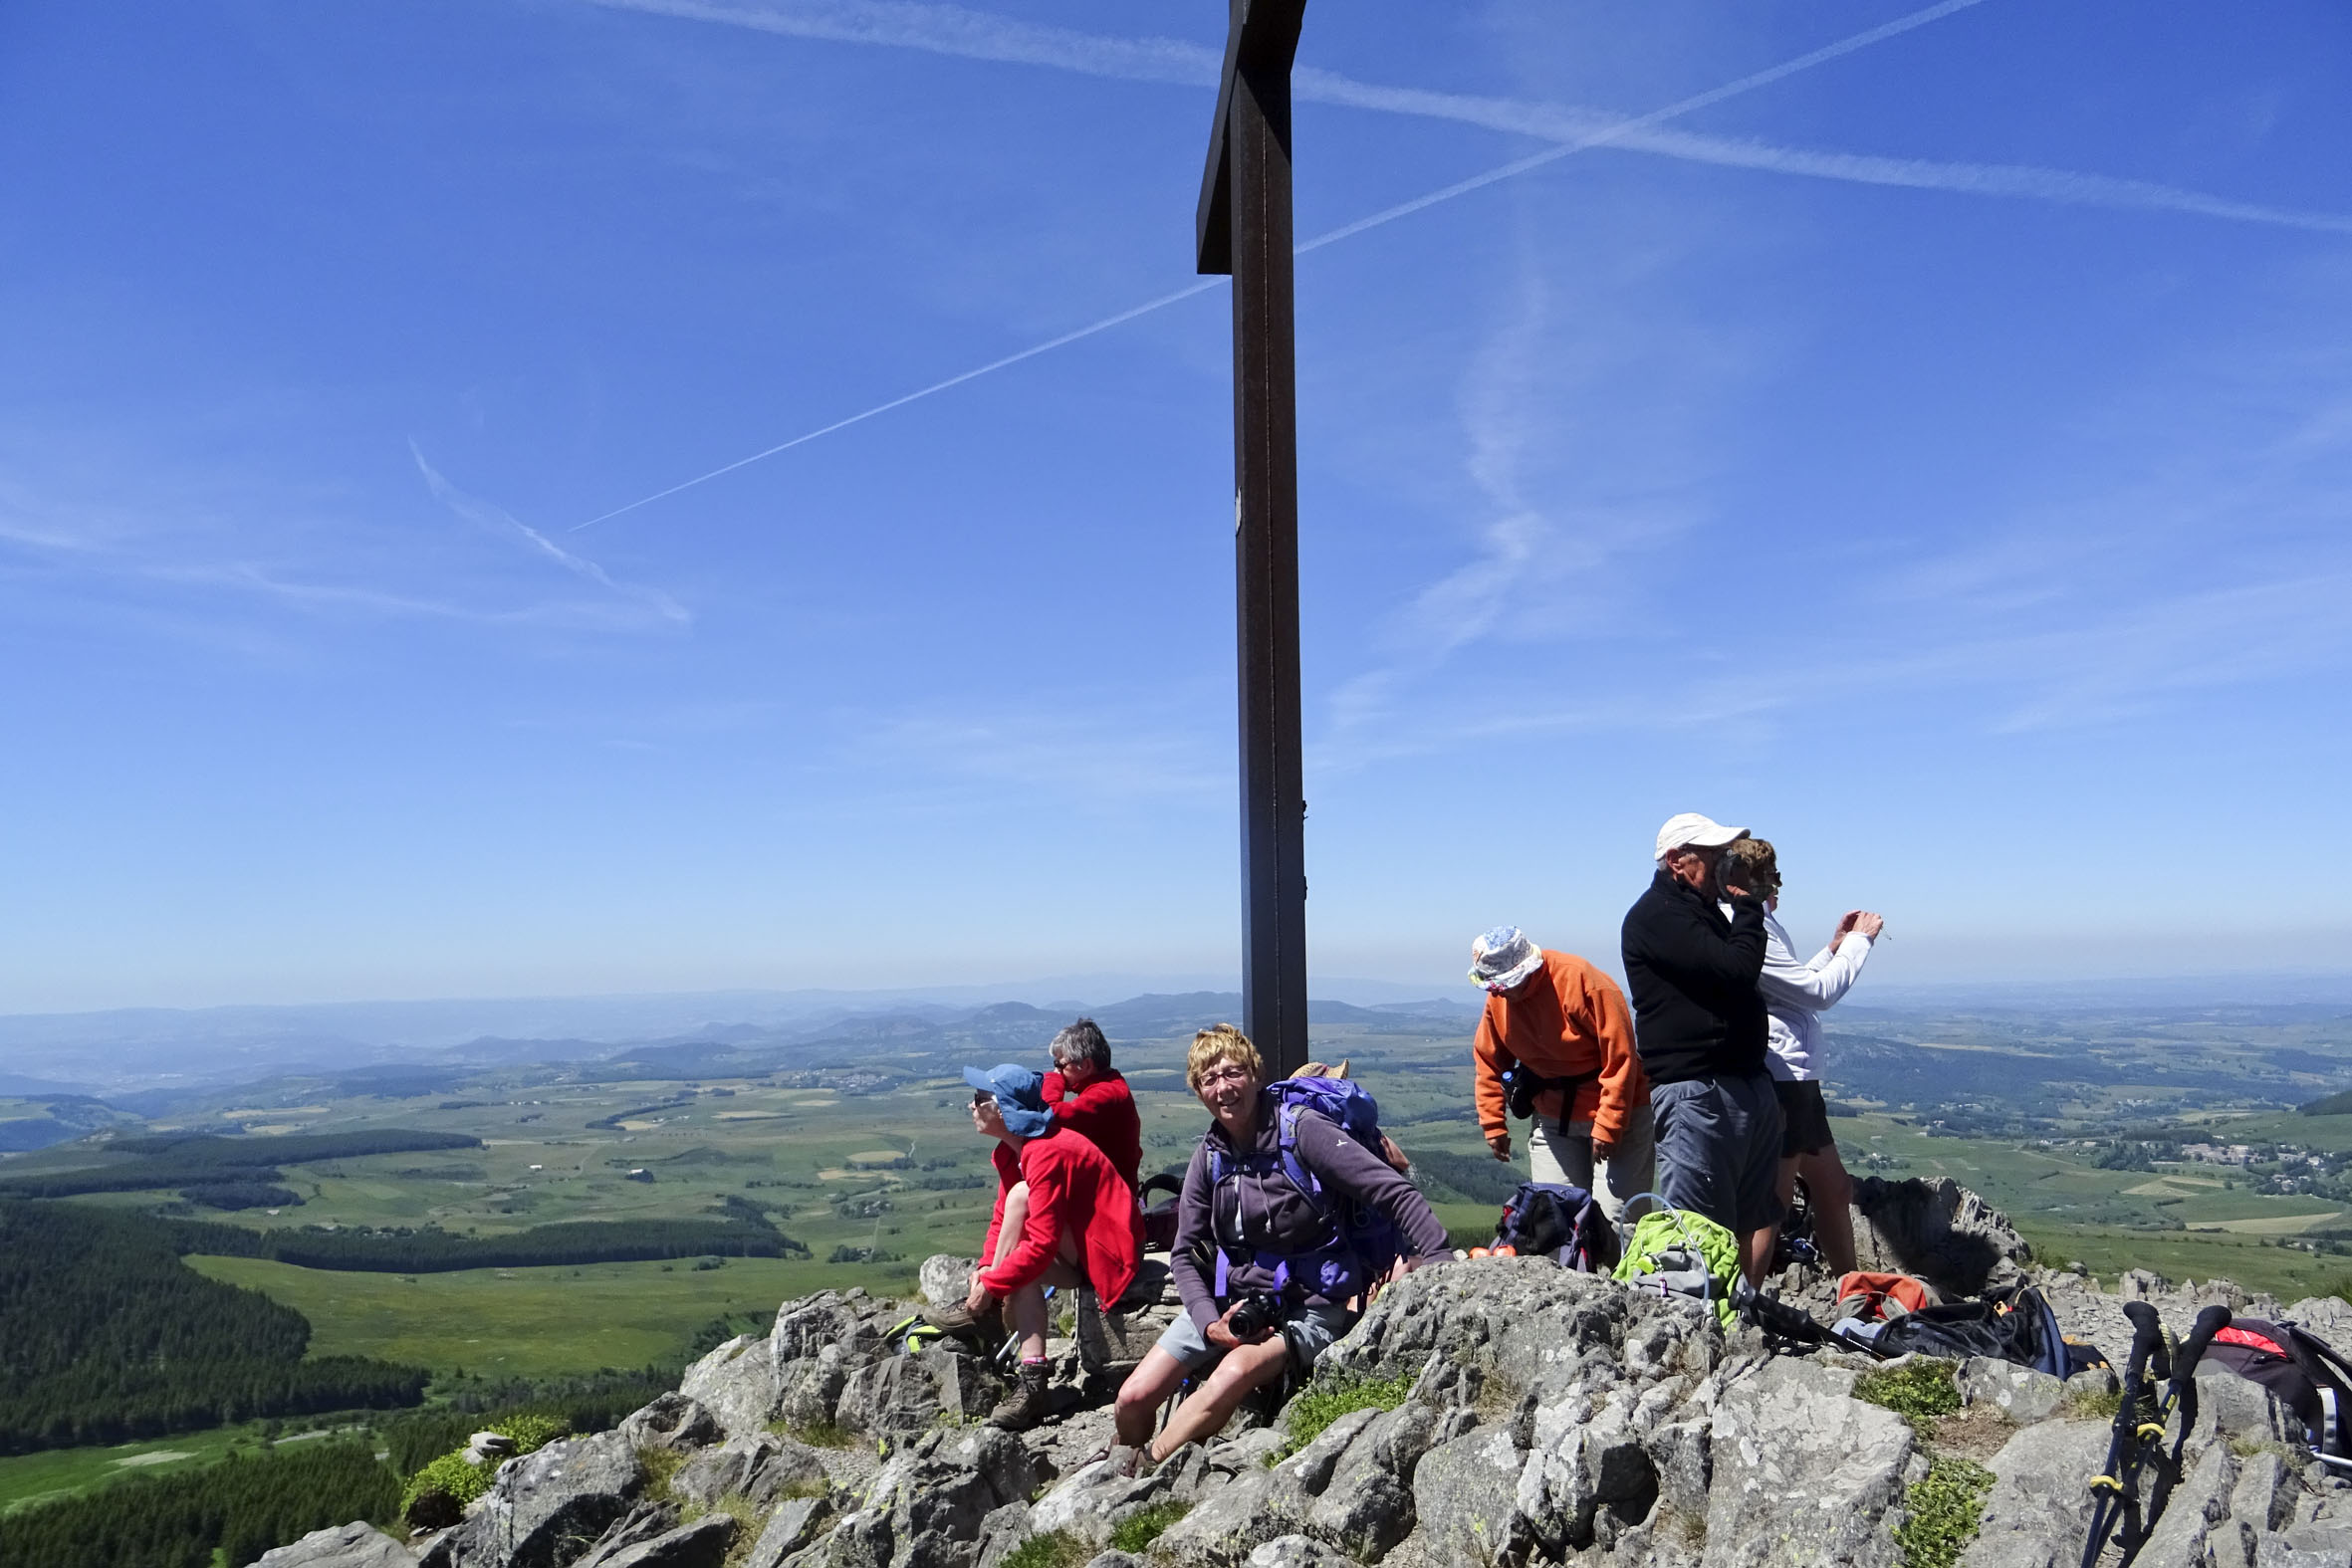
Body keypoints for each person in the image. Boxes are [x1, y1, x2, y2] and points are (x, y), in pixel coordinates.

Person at [1107, 1024, 1450, 1472]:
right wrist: (1211, 1324)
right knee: (1131, 1398)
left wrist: (1442, 1267)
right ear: (1198, 1091)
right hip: (1235, 1302)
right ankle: (1122, 1456)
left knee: (1235, 1371)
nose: (1223, 1087)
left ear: (1255, 1075)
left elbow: (1394, 1192)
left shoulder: (1302, 1131)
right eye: (1209, 1079)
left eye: (1233, 1073)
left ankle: (1145, 1476)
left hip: (1311, 1305)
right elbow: (1185, 1252)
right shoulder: (1209, 1157)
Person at [928, 1063, 1139, 1431]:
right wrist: (986, 1267)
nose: (971, 1105)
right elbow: (1002, 1220)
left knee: (1021, 1200)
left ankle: (988, 1310)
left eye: (980, 1098)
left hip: (1105, 1256)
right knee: (1018, 1255)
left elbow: (1041, 1245)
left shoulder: (1046, 1151)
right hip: (1076, 1248)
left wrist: (991, 1286)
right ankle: (1033, 1382)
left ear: (1004, 1110)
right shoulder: (1012, 1151)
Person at [1621, 811, 1782, 1286]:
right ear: (1677, 860)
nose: (1725, 865)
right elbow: (1737, 970)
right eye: (1715, 856)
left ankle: (1742, 1314)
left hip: (1738, 1085)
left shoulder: (1701, 911)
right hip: (1698, 1095)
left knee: (1752, 1215)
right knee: (1698, 1231)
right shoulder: (1657, 917)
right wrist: (1749, 906)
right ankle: (1701, 1319)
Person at [1723, 837, 1882, 1277]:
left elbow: (1791, 987)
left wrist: (1834, 948)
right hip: (1783, 1077)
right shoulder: (1749, 925)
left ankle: (1851, 1289)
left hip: (1795, 1077)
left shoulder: (1762, 925)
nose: (1778, 889)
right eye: (1774, 879)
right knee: (1772, 1202)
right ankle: (1743, 1302)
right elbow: (1817, 994)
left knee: (1834, 1188)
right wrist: (1860, 943)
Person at [1468, 926, 1655, 1224]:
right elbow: (1489, 1061)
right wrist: (1493, 1124)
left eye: (1503, 985)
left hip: (1618, 1111)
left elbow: (1621, 1060)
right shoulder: (1499, 999)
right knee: (1556, 1218)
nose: (1497, 992)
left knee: (1617, 1220)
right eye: (1493, 987)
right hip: (1553, 1117)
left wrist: (1608, 1125)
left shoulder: (1582, 981)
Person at [1041, 1017, 1142, 1194]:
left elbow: (1049, 1115)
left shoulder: (1107, 1094)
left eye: (1060, 1064)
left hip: (1112, 1199)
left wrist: (1053, 1080)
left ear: (1086, 1065)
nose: (1058, 1071)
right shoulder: (1110, 1083)